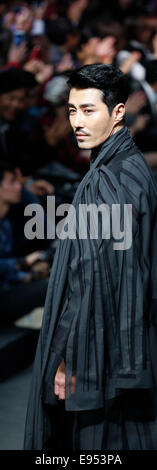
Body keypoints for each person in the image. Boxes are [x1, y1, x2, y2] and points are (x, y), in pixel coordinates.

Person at [24, 64, 157, 450]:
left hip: (98, 355)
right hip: (119, 350)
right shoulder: (126, 168)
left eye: (88, 110)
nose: (77, 122)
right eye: (71, 110)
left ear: (117, 113)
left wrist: (67, 359)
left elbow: (94, 282)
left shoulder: (111, 182)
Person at [0, 161, 49, 325]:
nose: (19, 186)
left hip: (8, 288)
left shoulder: (5, 223)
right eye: (12, 182)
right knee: (51, 287)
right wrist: (22, 263)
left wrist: (29, 276)